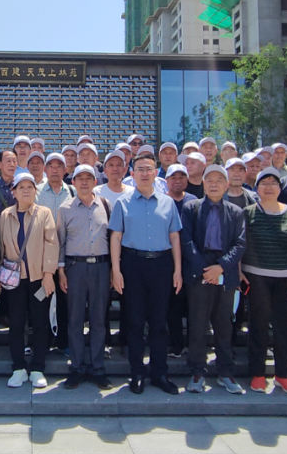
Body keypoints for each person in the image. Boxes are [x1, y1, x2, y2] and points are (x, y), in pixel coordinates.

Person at [109, 152, 183, 395]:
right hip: (133, 265)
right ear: (132, 173)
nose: (144, 173)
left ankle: (159, 373)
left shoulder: (168, 203)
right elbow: (116, 237)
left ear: (156, 173)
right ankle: (137, 372)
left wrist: (178, 270)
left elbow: (175, 237)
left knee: (159, 322)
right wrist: (116, 270)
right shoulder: (123, 203)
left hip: (162, 265)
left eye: (148, 169)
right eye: (139, 169)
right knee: (135, 321)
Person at [240, 167, 287, 394]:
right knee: (258, 326)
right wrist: (239, 270)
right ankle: (258, 374)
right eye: (264, 183)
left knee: (283, 328)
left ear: (280, 188)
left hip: (285, 277)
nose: (269, 188)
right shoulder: (248, 212)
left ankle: (283, 375)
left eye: (273, 183)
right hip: (256, 277)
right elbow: (239, 243)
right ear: (257, 188)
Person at [179, 164, 246, 394]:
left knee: (224, 325)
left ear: (226, 185)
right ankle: (197, 371)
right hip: (200, 272)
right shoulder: (191, 208)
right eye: (210, 180)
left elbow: (240, 244)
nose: (214, 184)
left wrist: (221, 267)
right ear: (203, 183)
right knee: (197, 325)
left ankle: (225, 372)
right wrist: (204, 269)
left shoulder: (235, 212)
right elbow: (186, 240)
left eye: (219, 180)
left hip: (225, 273)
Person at [0, 172, 58, 387]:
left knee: (40, 322)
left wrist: (49, 274)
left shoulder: (44, 213)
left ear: (35, 191)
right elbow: (1, 246)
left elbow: (51, 243)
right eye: (20, 187)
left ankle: (38, 367)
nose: (25, 190)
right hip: (14, 280)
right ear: (13, 192)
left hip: (38, 278)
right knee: (16, 323)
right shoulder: (6, 215)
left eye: (29, 187)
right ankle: (19, 367)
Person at [57, 164, 114, 390]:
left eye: (88, 178)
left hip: (101, 267)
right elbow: (60, 242)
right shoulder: (65, 208)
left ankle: (98, 368)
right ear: (73, 182)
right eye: (79, 178)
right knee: (75, 319)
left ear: (95, 182)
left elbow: (113, 239)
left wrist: (113, 270)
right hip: (75, 268)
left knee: (99, 320)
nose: (83, 182)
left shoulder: (106, 205)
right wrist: (61, 271)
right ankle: (77, 367)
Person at [37, 153, 73, 352]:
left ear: (65, 170)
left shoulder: (72, 191)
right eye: (51, 166)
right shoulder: (37, 192)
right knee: (42, 299)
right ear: (45, 169)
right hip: (43, 256)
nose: (55, 169)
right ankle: (43, 341)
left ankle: (63, 342)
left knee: (65, 301)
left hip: (68, 256)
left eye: (59, 166)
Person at [163, 163, 197, 357]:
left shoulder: (194, 201)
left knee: (193, 307)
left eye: (181, 177)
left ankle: (192, 345)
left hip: (191, 260)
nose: (177, 181)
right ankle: (176, 344)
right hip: (167, 261)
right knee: (172, 306)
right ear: (166, 181)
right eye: (173, 178)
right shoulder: (161, 200)